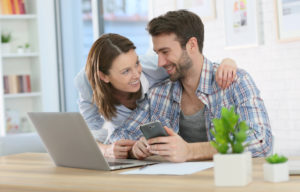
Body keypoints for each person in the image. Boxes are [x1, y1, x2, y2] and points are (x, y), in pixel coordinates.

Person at [109, 10, 273, 162]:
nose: (160, 62)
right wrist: (134, 149)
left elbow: (261, 141)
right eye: (157, 53)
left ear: (192, 45)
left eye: (165, 52)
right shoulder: (158, 95)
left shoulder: (236, 82)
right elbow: (118, 137)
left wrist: (190, 151)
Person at [74, 33, 237, 159]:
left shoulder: (154, 66)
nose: (136, 74)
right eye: (125, 71)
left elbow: (195, 64)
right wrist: (108, 150)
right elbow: (90, 134)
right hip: (130, 148)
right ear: (104, 76)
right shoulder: (86, 82)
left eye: (136, 63)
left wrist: (228, 62)